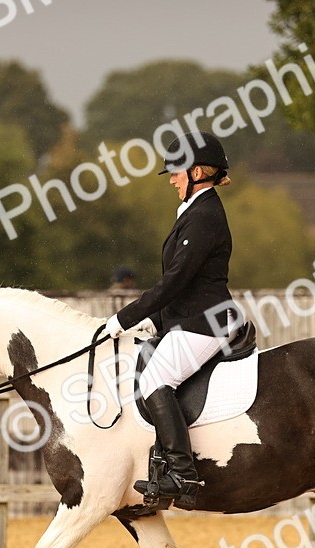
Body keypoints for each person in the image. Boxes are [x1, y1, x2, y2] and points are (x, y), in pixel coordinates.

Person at [104, 131, 236, 509]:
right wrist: (156, 323)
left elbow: (176, 280)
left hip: (206, 322)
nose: (173, 179)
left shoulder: (205, 215)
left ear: (197, 172)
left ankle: (182, 471)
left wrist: (125, 317)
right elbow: (183, 284)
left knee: (155, 379)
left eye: (177, 172)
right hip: (190, 318)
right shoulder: (195, 211)